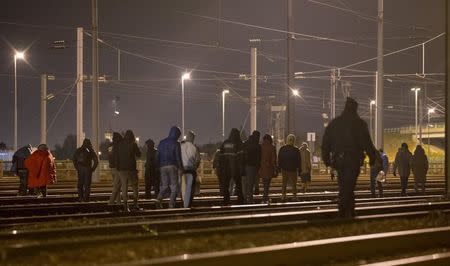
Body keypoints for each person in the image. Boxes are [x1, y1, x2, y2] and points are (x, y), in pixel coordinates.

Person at [322, 97, 380, 218]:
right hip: (353, 160)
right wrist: (372, 157)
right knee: (349, 185)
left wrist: (327, 160)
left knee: (344, 184)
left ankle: (347, 210)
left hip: (338, 159)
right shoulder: (360, 124)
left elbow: (326, 143)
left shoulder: (335, 123)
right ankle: (345, 210)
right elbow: (367, 142)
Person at [156, 126, 183, 209]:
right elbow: (178, 157)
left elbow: (157, 155)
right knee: (174, 187)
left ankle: (158, 200)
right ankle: (171, 205)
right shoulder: (176, 143)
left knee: (164, 186)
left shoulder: (161, 142)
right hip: (172, 166)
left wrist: (158, 166)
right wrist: (181, 168)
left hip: (162, 166)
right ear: (177, 134)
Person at [217, 128, 244, 206]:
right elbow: (241, 157)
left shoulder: (225, 143)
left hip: (226, 168)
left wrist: (221, 167)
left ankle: (226, 200)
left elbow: (220, 156)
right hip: (235, 168)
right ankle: (240, 200)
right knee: (238, 185)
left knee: (226, 185)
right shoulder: (239, 143)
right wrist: (241, 167)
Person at [116, 130, 142, 211]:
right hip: (131, 170)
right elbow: (139, 154)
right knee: (135, 187)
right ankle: (135, 204)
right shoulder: (133, 144)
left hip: (122, 170)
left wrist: (118, 168)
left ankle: (125, 206)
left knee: (124, 187)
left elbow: (116, 157)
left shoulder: (119, 145)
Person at [278, 134, 301, 202]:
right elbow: (299, 160)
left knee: (284, 183)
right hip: (293, 170)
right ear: (294, 140)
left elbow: (279, 159)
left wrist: (279, 167)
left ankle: (283, 196)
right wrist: (299, 169)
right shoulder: (296, 149)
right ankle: (294, 197)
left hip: (284, 169)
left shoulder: (282, 149)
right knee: (294, 184)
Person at [180, 130, 201, 208]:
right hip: (191, 171)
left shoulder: (181, 146)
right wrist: (195, 167)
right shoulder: (194, 148)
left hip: (182, 170)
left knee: (183, 189)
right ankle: (187, 205)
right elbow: (198, 160)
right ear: (193, 138)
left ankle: (184, 204)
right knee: (190, 189)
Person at [242, 130, 261, 204]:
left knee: (244, 183)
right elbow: (259, 157)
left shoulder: (245, 143)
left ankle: (244, 198)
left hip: (244, 166)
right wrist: (258, 166)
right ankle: (250, 199)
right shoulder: (257, 145)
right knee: (250, 184)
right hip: (252, 166)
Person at [258, 134, 277, 204]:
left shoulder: (260, 147)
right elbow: (273, 159)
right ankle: (265, 198)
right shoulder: (272, 147)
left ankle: (265, 197)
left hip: (262, 168)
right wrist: (275, 168)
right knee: (267, 184)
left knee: (264, 184)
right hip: (269, 168)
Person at [108, 132, 123, 204]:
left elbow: (110, 156)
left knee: (117, 186)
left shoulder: (110, 146)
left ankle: (119, 202)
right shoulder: (118, 146)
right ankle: (111, 202)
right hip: (117, 168)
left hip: (112, 168)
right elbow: (118, 157)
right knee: (117, 186)